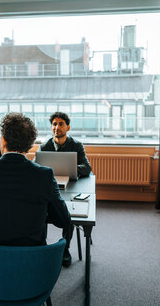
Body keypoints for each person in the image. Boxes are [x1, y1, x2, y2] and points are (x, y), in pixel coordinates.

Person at [0, 112, 70, 246]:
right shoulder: (45, 176)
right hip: (31, 261)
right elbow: (63, 220)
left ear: (3, 140)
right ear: (30, 145)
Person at [40, 111, 92, 267]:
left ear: (68, 127)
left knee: (68, 212)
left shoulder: (76, 145)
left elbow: (87, 168)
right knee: (38, 209)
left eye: (61, 124)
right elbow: (37, 167)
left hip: (70, 187)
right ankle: (41, 248)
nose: (57, 127)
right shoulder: (45, 146)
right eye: (54, 124)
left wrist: (69, 168)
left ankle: (65, 249)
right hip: (51, 188)